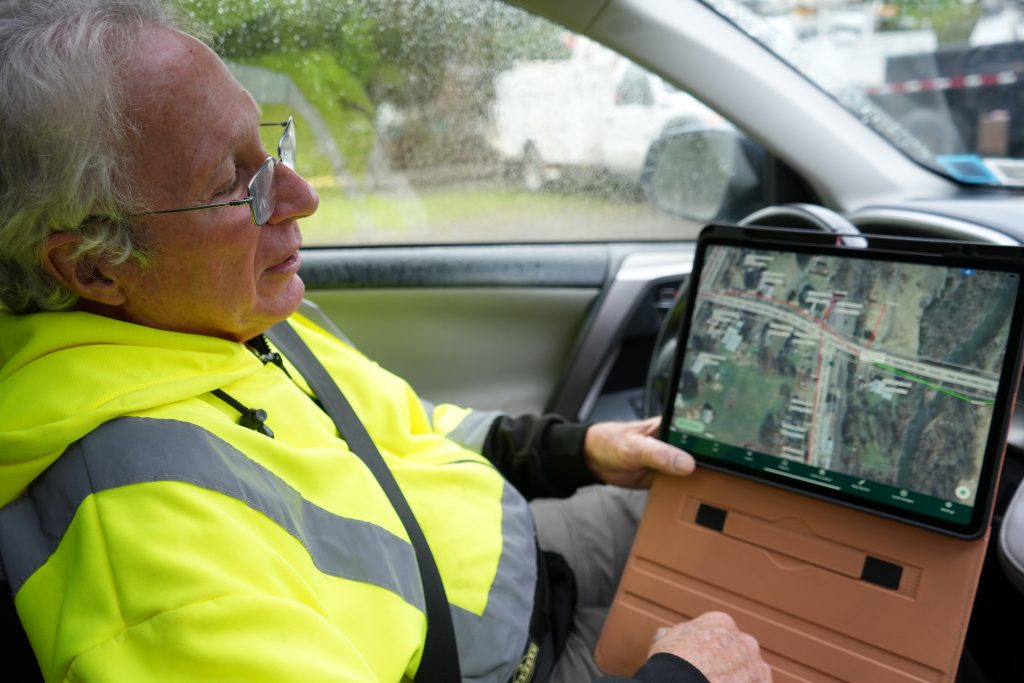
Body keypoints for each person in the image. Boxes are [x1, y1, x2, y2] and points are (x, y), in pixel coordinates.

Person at [0, 1, 771, 681]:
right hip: (519, 660)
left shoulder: (211, 322)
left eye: (270, 145)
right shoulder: (140, 545)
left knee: (769, 525)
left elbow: (400, 428)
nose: (299, 195)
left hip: (516, 560)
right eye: (234, 185)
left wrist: (578, 449)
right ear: (96, 265)